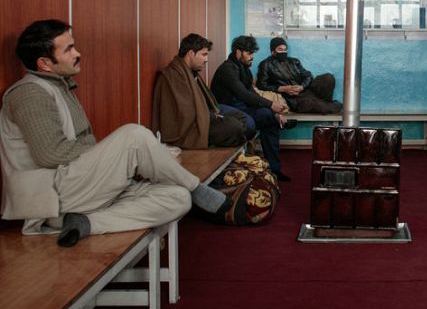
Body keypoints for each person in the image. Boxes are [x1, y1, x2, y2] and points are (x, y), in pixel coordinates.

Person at [0, 20, 229, 247]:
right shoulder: (30, 93)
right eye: (68, 49)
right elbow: (50, 154)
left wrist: (122, 156)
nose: (77, 53)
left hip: (77, 190)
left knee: (178, 199)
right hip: (51, 196)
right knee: (134, 134)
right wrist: (118, 154)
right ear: (44, 64)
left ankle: (86, 223)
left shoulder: (59, 86)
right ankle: (195, 186)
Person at [211, 36, 292, 182]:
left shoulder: (244, 69)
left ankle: (275, 170)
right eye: (249, 53)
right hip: (226, 111)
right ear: (238, 52)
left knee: (270, 118)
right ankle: (247, 168)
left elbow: (251, 93)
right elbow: (243, 94)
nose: (252, 57)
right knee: (264, 116)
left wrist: (273, 111)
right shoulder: (227, 69)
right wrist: (271, 105)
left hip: (241, 107)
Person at [152, 33, 252, 149]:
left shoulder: (190, 72)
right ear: (191, 53)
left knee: (243, 118)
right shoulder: (174, 75)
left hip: (205, 116)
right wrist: (215, 117)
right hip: (190, 129)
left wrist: (214, 116)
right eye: (204, 55)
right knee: (233, 126)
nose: (206, 60)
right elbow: (186, 113)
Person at [256, 37, 341, 114]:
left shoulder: (294, 61)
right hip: (293, 99)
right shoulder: (265, 64)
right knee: (317, 105)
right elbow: (261, 85)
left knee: (328, 77)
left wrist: (302, 87)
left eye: (285, 49)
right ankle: (332, 105)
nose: (283, 52)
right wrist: (282, 89)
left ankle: (327, 104)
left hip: (306, 91)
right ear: (273, 52)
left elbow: (308, 76)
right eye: (280, 49)